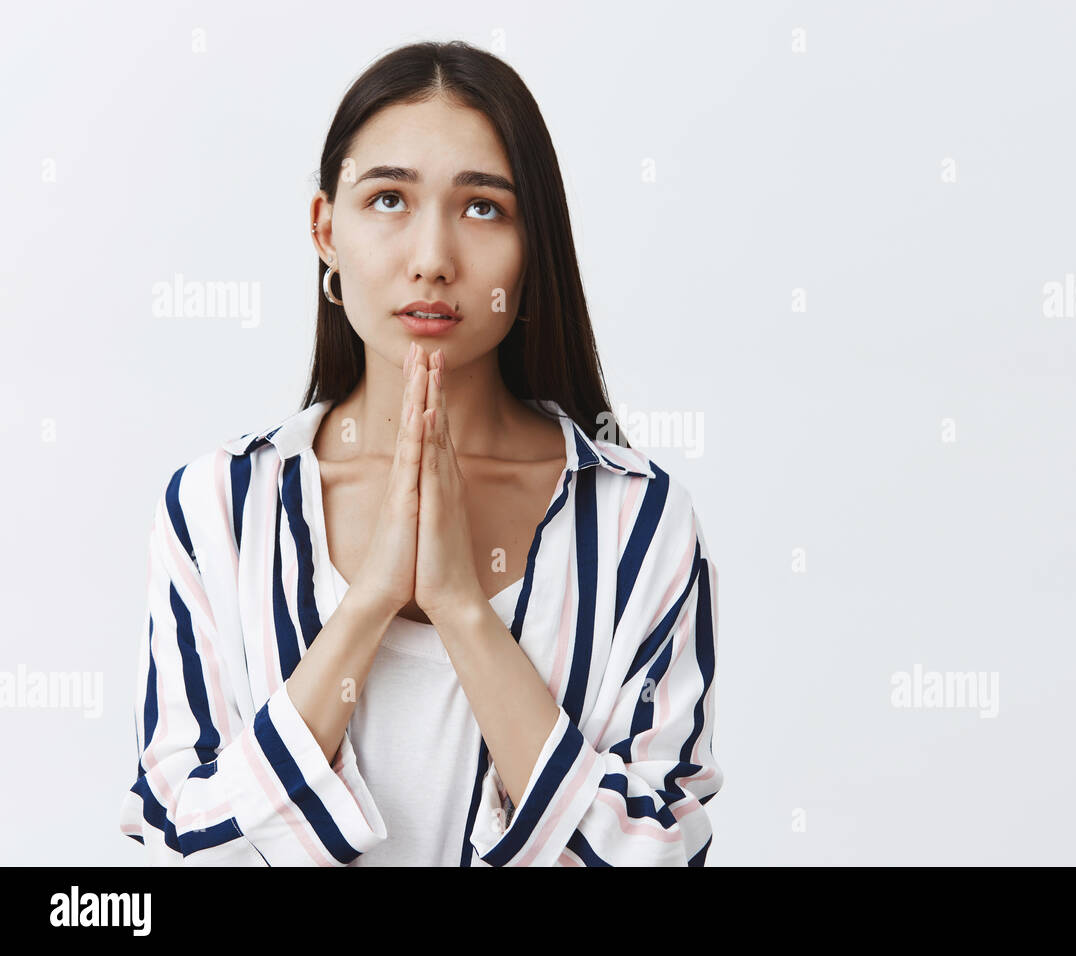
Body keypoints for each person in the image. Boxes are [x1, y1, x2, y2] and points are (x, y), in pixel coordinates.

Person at [118, 40, 721, 866]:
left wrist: (461, 608)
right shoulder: (220, 507)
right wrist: (367, 605)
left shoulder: (637, 524)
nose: (433, 260)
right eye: (389, 199)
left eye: (483, 209)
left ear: (531, 244)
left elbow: (654, 853)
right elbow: (180, 844)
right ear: (325, 229)